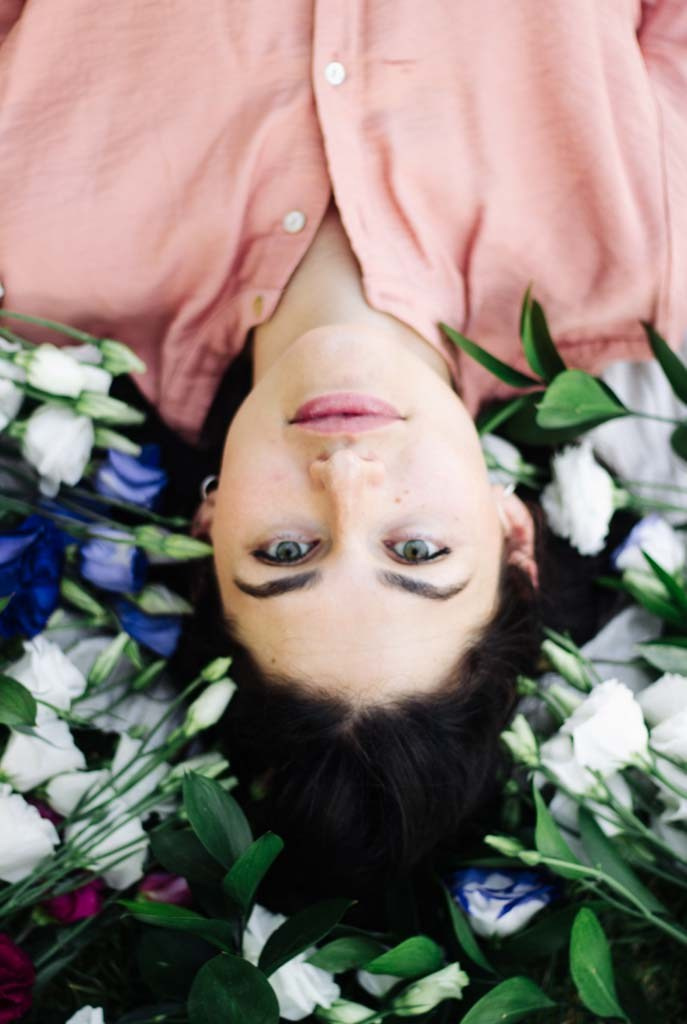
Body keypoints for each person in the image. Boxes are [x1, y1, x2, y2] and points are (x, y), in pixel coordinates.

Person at [1, 1, 685, 886]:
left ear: (208, 527)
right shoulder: (646, 241)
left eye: (287, 551)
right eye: (417, 550)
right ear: (510, 533)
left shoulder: (31, 248)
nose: (346, 477)